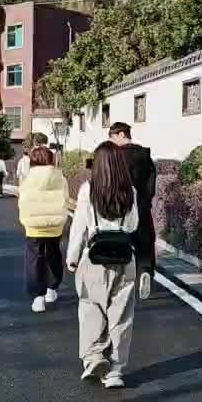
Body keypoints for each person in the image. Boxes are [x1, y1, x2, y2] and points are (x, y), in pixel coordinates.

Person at [66, 141, 139, 389]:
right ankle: (116, 370)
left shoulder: (88, 190)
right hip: (125, 259)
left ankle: (94, 356)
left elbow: (78, 227)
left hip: (94, 258)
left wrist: (72, 257)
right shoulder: (130, 191)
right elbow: (133, 226)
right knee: (121, 315)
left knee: (91, 308)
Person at [108, 122, 157, 300]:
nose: (111, 142)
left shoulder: (115, 156)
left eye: (112, 137)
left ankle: (122, 279)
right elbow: (151, 183)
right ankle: (145, 271)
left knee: (121, 242)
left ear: (122, 134)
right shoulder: (144, 154)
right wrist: (145, 200)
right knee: (144, 242)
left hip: (122, 208)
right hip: (142, 206)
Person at [18, 147, 69, 313]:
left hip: (34, 227)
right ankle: (52, 289)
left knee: (34, 259)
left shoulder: (28, 179)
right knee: (54, 254)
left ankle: (38, 297)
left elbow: (22, 202)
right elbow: (66, 199)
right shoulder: (60, 178)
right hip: (55, 225)